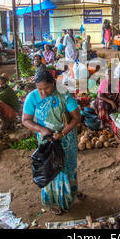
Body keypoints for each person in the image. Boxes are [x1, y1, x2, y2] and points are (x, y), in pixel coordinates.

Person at [22, 70, 83, 215]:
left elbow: (76, 117)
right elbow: (26, 120)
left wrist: (63, 132)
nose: (42, 92)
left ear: (54, 83)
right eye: (39, 89)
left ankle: (69, 196)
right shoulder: (32, 97)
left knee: (67, 166)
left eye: (46, 88)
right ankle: (52, 200)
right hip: (46, 141)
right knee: (50, 167)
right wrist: (42, 130)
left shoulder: (65, 94)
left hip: (66, 140)